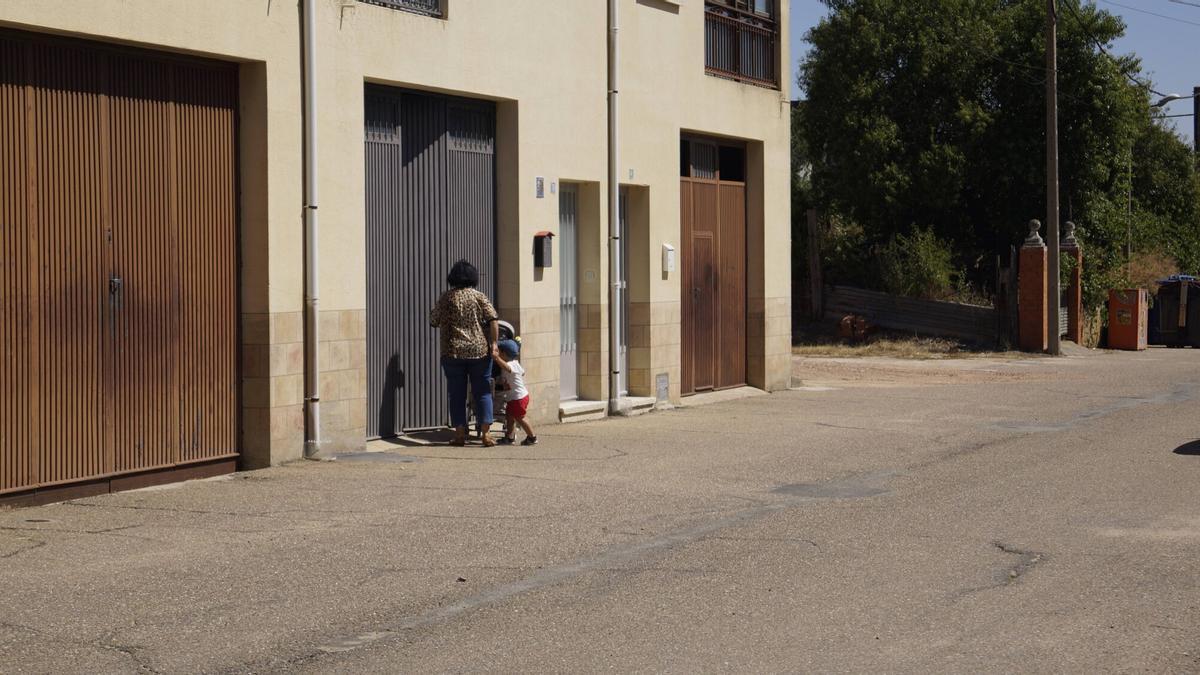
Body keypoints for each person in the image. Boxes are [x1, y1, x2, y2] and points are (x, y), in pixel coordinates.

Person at [429, 260, 499, 447]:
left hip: (452, 351)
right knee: (483, 391)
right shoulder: (479, 296)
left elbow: (433, 320)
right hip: (479, 351)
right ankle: (486, 434)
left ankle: (460, 434)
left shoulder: (446, 298)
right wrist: (493, 344)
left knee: (457, 394)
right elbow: (493, 319)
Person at [492, 339, 537, 446]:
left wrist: (496, 358)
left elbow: (507, 367)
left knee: (520, 418)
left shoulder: (511, 364)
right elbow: (522, 373)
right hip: (515, 397)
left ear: (504, 354)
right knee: (509, 417)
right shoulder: (515, 363)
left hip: (518, 398)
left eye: (499, 351)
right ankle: (510, 437)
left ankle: (532, 437)